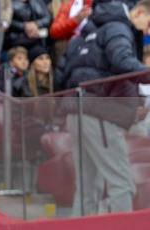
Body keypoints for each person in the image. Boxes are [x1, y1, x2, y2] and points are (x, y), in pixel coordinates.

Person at [56, 0, 150, 216]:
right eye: (149, 23)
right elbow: (122, 62)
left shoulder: (85, 33)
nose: (147, 30)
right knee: (122, 185)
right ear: (141, 12)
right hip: (99, 113)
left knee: (87, 188)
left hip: (77, 112)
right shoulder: (117, 26)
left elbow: (60, 76)